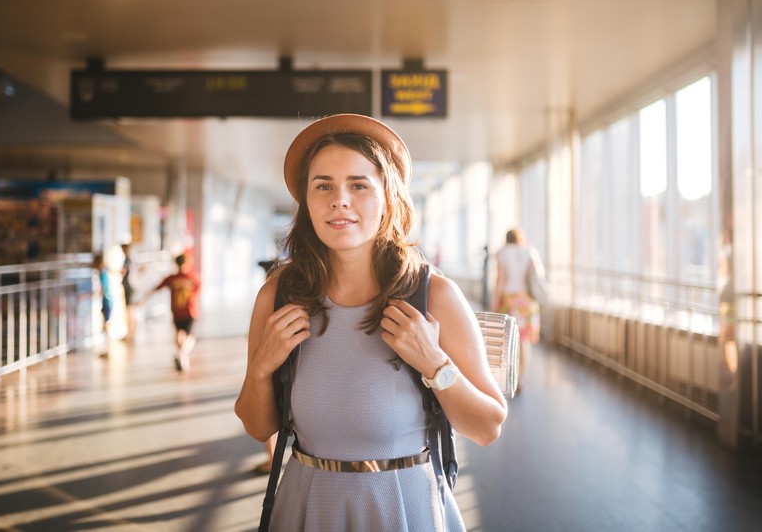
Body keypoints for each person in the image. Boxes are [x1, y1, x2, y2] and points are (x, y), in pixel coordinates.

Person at [234, 114, 508, 531]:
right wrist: (261, 368)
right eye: (323, 185)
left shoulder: (433, 297)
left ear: (388, 198)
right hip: (308, 506)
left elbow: (487, 427)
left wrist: (434, 363)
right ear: (307, 203)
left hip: (404, 506)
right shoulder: (278, 297)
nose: (339, 200)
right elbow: (258, 426)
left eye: (359, 185)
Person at [492, 227, 547, 393]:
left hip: (509, 301)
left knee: (507, 343)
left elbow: (500, 281)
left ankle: (506, 379)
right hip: (527, 302)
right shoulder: (530, 251)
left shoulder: (502, 253)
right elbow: (539, 277)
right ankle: (519, 379)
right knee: (524, 342)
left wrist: (494, 303)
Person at [143, 252, 201, 371]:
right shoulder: (192, 276)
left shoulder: (172, 278)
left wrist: (143, 299)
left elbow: (157, 287)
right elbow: (197, 289)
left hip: (176, 311)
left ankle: (182, 357)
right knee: (189, 337)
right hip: (190, 311)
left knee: (180, 335)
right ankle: (182, 355)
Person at [120, 243, 137, 341]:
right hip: (131, 287)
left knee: (130, 310)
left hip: (128, 288)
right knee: (131, 310)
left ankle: (130, 332)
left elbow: (124, 271)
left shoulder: (127, 260)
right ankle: (131, 331)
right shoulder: (131, 260)